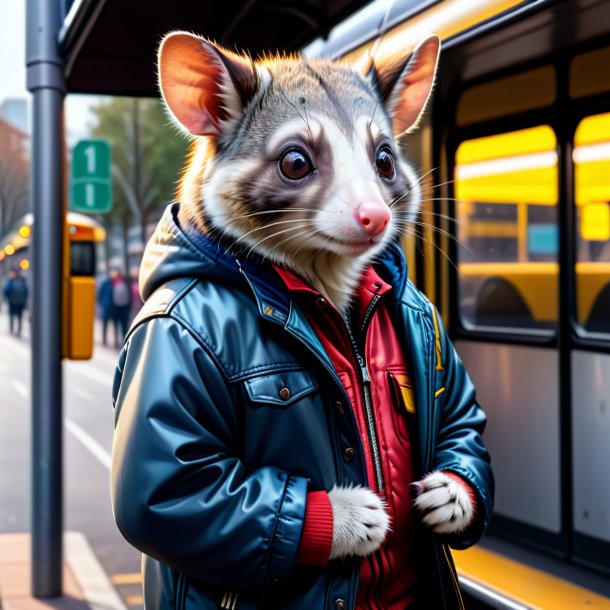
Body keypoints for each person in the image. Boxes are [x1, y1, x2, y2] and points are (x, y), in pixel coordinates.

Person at [3, 269, 28, 338]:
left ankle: (13, 330)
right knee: (18, 316)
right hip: (19, 302)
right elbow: (26, 292)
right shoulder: (22, 281)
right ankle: (17, 330)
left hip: (14, 302)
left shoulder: (11, 281)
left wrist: (6, 297)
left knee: (14, 316)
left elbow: (6, 291)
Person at [111, 270, 132, 348]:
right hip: (119, 308)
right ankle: (121, 341)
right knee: (121, 326)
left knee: (122, 326)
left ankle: (122, 341)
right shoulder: (116, 284)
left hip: (121, 308)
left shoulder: (116, 284)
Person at [97, 272, 115, 347]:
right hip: (105, 307)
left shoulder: (114, 283)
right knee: (105, 323)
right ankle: (104, 340)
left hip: (112, 307)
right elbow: (100, 295)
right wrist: (102, 303)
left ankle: (114, 341)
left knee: (113, 324)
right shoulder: (105, 283)